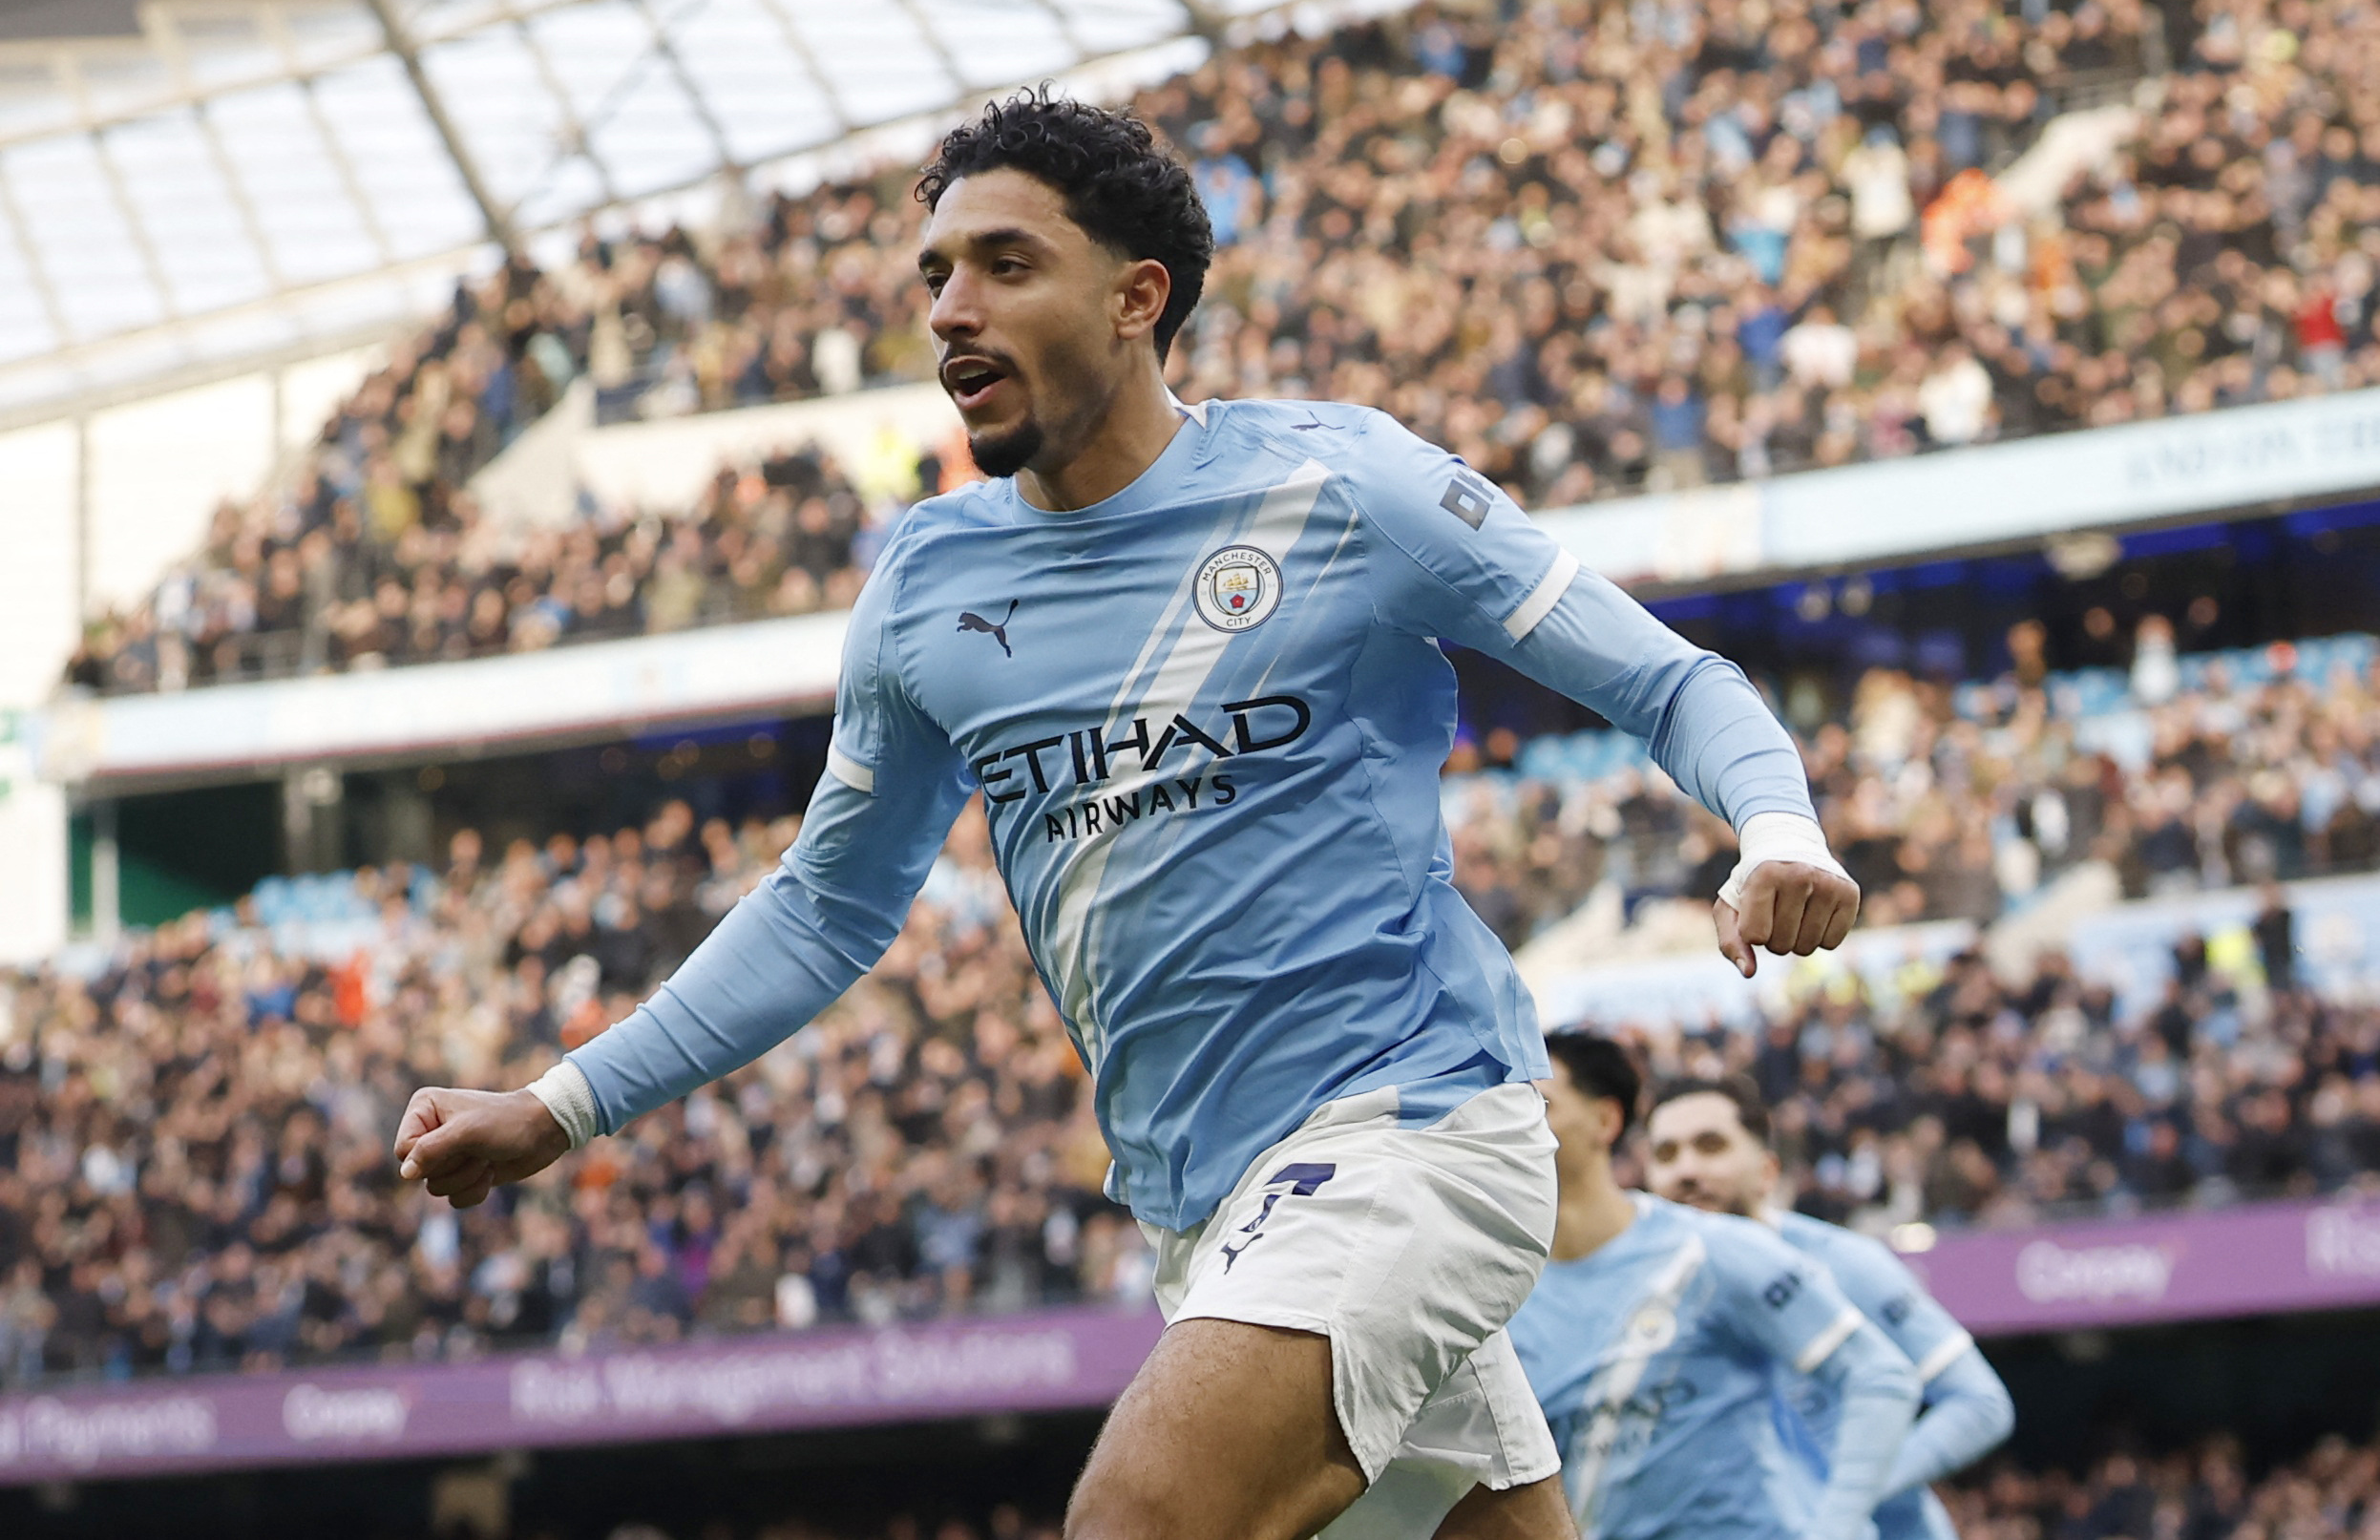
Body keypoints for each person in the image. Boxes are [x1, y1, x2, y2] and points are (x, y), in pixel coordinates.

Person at [390, 92, 1861, 1540]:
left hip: (1412, 1129)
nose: (951, 311)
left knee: (1137, 1518)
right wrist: (562, 1102)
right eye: (936, 274)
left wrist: (1778, 827)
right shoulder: (927, 585)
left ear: (1135, 297)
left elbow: (1668, 679)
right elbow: (826, 905)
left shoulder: (1340, 484)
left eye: (1006, 265)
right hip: (1205, 1204)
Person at [1509, 1032, 1916, 1540]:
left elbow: (1881, 1376)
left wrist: (1837, 1526)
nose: (1507, 1122)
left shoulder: (1711, 1249)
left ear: (1606, 1121)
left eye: (1536, 1103)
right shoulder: (1499, 1299)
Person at [1644, 1077, 2013, 1540]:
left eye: (1710, 1146)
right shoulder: (1641, 1297)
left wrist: (1843, 1500)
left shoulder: (1843, 1262)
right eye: (1666, 1154)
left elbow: (1981, 1403)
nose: (1686, 1170)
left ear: (1767, 1171)